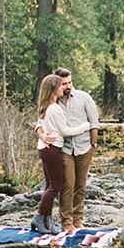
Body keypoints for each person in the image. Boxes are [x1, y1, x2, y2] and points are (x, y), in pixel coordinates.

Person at [31, 73, 91, 235]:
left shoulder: (46, 105)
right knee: (56, 185)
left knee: (50, 186)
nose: (63, 88)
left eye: (66, 84)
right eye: (60, 85)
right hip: (52, 150)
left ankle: (47, 221)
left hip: (44, 148)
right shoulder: (55, 108)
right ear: (53, 89)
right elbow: (65, 131)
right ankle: (39, 217)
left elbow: (43, 123)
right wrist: (85, 126)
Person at [54, 66, 100, 231]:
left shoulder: (84, 97)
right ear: (57, 84)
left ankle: (77, 220)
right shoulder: (53, 101)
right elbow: (41, 121)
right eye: (64, 83)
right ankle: (66, 222)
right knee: (68, 184)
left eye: (70, 82)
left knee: (81, 185)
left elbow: (94, 122)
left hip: (84, 147)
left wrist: (92, 145)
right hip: (64, 149)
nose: (68, 86)